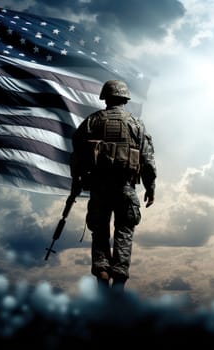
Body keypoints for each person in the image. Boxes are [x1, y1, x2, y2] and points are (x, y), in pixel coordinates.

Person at [70, 79, 157, 293]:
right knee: (124, 232)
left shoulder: (92, 122)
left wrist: (76, 182)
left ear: (105, 97)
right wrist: (150, 187)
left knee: (99, 232)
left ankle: (102, 272)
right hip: (126, 187)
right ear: (125, 99)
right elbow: (147, 160)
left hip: (99, 187)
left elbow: (77, 156)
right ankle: (119, 279)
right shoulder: (136, 124)